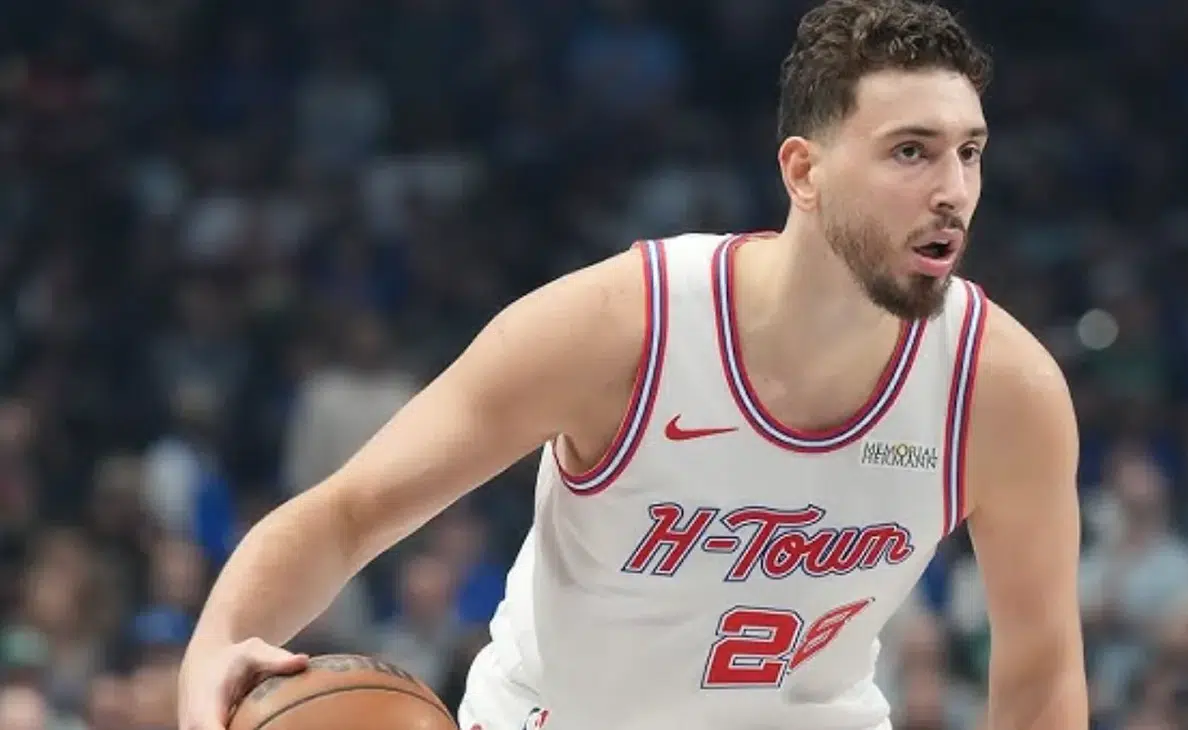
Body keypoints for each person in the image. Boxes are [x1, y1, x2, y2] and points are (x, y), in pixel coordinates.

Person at [177, 1, 1088, 729]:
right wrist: (215, 649)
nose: (952, 190)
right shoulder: (622, 327)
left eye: (970, 153)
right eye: (911, 152)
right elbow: (347, 513)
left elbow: (1042, 674)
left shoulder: (1003, 390)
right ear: (804, 173)